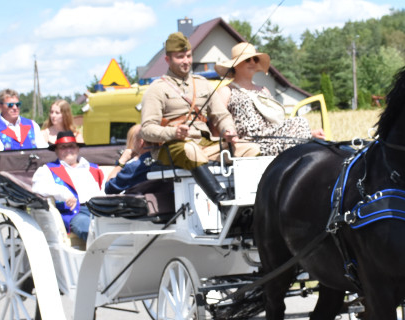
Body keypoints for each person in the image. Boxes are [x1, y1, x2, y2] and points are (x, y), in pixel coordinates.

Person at [139, 31, 245, 206]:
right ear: (168, 60)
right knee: (190, 150)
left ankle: (253, 202)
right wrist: (174, 132)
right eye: (180, 57)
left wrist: (228, 130)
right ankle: (225, 205)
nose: (186, 61)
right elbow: (147, 130)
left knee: (249, 149)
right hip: (172, 149)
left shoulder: (202, 83)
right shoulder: (156, 89)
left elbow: (222, 115)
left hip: (205, 145)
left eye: (188, 56)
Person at [213, 42, 320, 156]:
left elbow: (277, 122)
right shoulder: (226, 91)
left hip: (273, 137)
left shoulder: (263, 90)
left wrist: (310, 133)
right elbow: (215, 126)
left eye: (255, 59)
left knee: (300, 122)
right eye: (248, 60)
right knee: (300, 122)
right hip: (249, 143)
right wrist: (227, 134)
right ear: (235, 64)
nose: (253, 62)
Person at [31, 130, 105, 243]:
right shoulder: (48, 170)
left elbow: (105, 190)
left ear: (77, 149)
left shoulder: (94, 168)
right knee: (90, 230)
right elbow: (37, 187)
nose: (68, 150)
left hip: (100, 210)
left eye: (72, 146)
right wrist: (64, 193)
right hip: (75, 212)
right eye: (63, 147)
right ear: (56, 151)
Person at [0, 88, 48, 170]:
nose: (15, 108)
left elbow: (43, 152)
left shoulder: (31, 125)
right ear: (0, 106)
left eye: (17, 104)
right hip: (9, 179)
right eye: (10, 105)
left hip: (35, 175)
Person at [104, 124, 153, 194]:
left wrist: (122, 161)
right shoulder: (165, 161)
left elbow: (109, 188)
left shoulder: (134, 167)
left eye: (135, 140)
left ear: (141, 143)